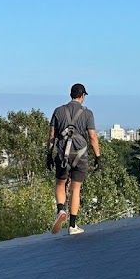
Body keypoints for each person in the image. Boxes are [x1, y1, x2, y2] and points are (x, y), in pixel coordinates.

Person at [46, 83, 102, 235]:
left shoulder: (58, 111)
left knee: (60, 184)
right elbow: (92, 136)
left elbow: (52, 135)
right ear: (83, 95)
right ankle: (72, 225)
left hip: (63, 155)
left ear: (70, 94)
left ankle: (60, 209)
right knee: (75, 189)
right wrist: (98, 157)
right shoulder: (87, 113)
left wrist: (49, 155)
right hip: (80, 155)